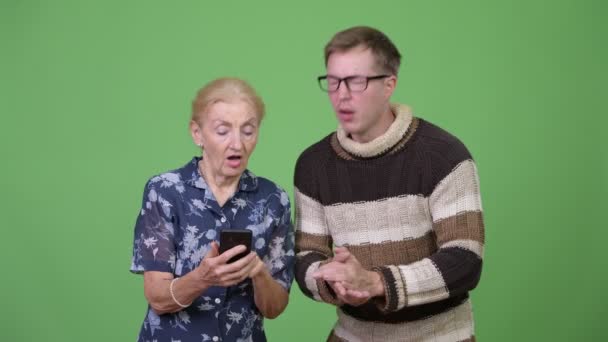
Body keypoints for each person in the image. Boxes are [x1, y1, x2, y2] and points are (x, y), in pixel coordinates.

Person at [294, 26, 485, 341]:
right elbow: (306, 256)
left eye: (356, 81)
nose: (342, 94)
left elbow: (465, 260)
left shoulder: (444, 155)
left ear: (388, 85)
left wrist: (375, 282)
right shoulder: (313, 165)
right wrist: (335, 283)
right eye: (333, 81)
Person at [130, 78, 294, 342]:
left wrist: (259, 272)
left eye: (248, 131)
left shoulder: (274, 199)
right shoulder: (164, 191)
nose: (237, 144)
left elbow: (275, 308)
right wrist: (202, 278)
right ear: (197, 133)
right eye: (222, 131)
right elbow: (158, 298)